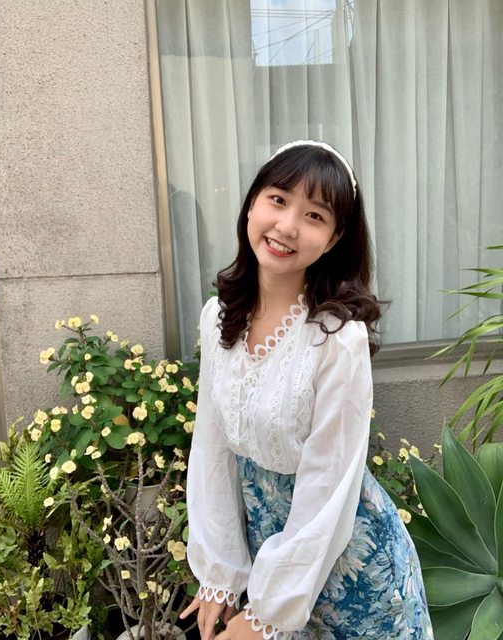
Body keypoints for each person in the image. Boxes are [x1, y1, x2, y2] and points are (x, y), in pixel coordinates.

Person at [180, 141, 433, 640]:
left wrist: (266, 613)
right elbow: (211, 446)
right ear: (251, 204)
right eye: (277, 200)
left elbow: (328, 481)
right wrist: (220, 574)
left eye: (314, 215)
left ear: (334, 238)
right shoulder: (218, 318)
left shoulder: (337, 337)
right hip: (271, 554)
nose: (287, 225)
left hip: (350, 562)